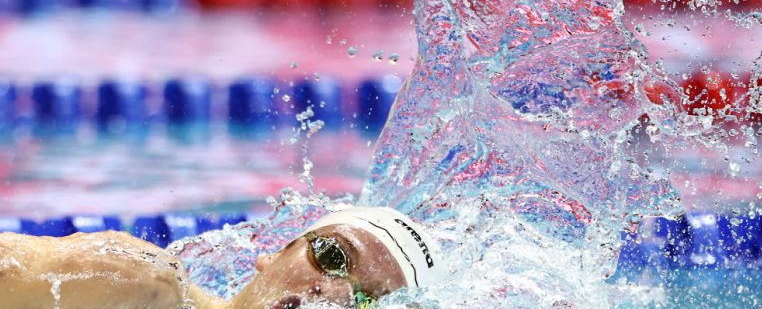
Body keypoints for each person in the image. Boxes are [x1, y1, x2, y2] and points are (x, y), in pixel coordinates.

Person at [0, 206, 444, 309]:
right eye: (331, 257)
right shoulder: (139, 283)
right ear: (272, 254)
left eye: (365, 299)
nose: (328, 289)